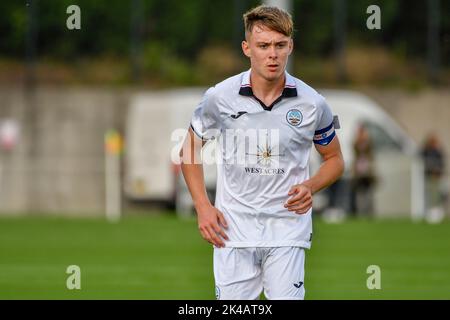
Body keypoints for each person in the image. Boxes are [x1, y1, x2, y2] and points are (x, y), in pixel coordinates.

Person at [179, 5, 344, 300]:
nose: (273, 54)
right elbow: (190, 148)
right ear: (247, 48)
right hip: (231, 231)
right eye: (264, 45)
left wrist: (310, 186)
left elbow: (334, 159)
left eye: (280, 45)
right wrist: (203, 206)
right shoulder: (219, 97)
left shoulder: (313, 103)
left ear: (290, 46)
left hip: (287, 231)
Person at [351, 124, 377, 216]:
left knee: (369, 194)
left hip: (367, 172)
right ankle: (361, 213)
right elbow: (355, 149)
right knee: (360, 194)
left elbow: (369, 150)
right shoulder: (356, 143)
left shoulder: (368, 143)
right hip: (358, 172)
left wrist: (365, 139)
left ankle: (370, 213)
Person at [421, 133, 446, 222]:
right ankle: (427, 213)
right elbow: (420, 161)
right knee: (427, 196)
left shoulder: (438, 152)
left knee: (436, 196)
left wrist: (438, 172)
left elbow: (441, 164)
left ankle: (437, 214)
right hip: (427, 177)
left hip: (436, 178)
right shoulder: (425, 151)